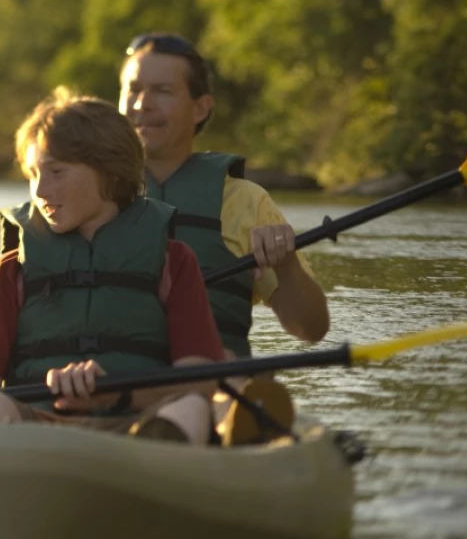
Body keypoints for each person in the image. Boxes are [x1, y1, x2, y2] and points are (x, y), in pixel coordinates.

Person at [0, 89, 225, 443]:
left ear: (109, 170)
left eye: (56, 171)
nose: (40, 191)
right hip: (34, 427)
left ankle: (162, 462)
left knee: (191, 405)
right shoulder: (9, 271)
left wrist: (115, 393)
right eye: (34, 174)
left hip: (135, 423)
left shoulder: (173, 261)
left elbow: (201, 381)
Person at [119, 33, 328, 356]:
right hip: (108, 386)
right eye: (132, 90)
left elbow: (311, 329)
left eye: (162, 91)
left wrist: (286, 266)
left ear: (201, 108)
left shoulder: (245, 201)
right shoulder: (78, 193)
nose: (142, 103)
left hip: (214, 390)